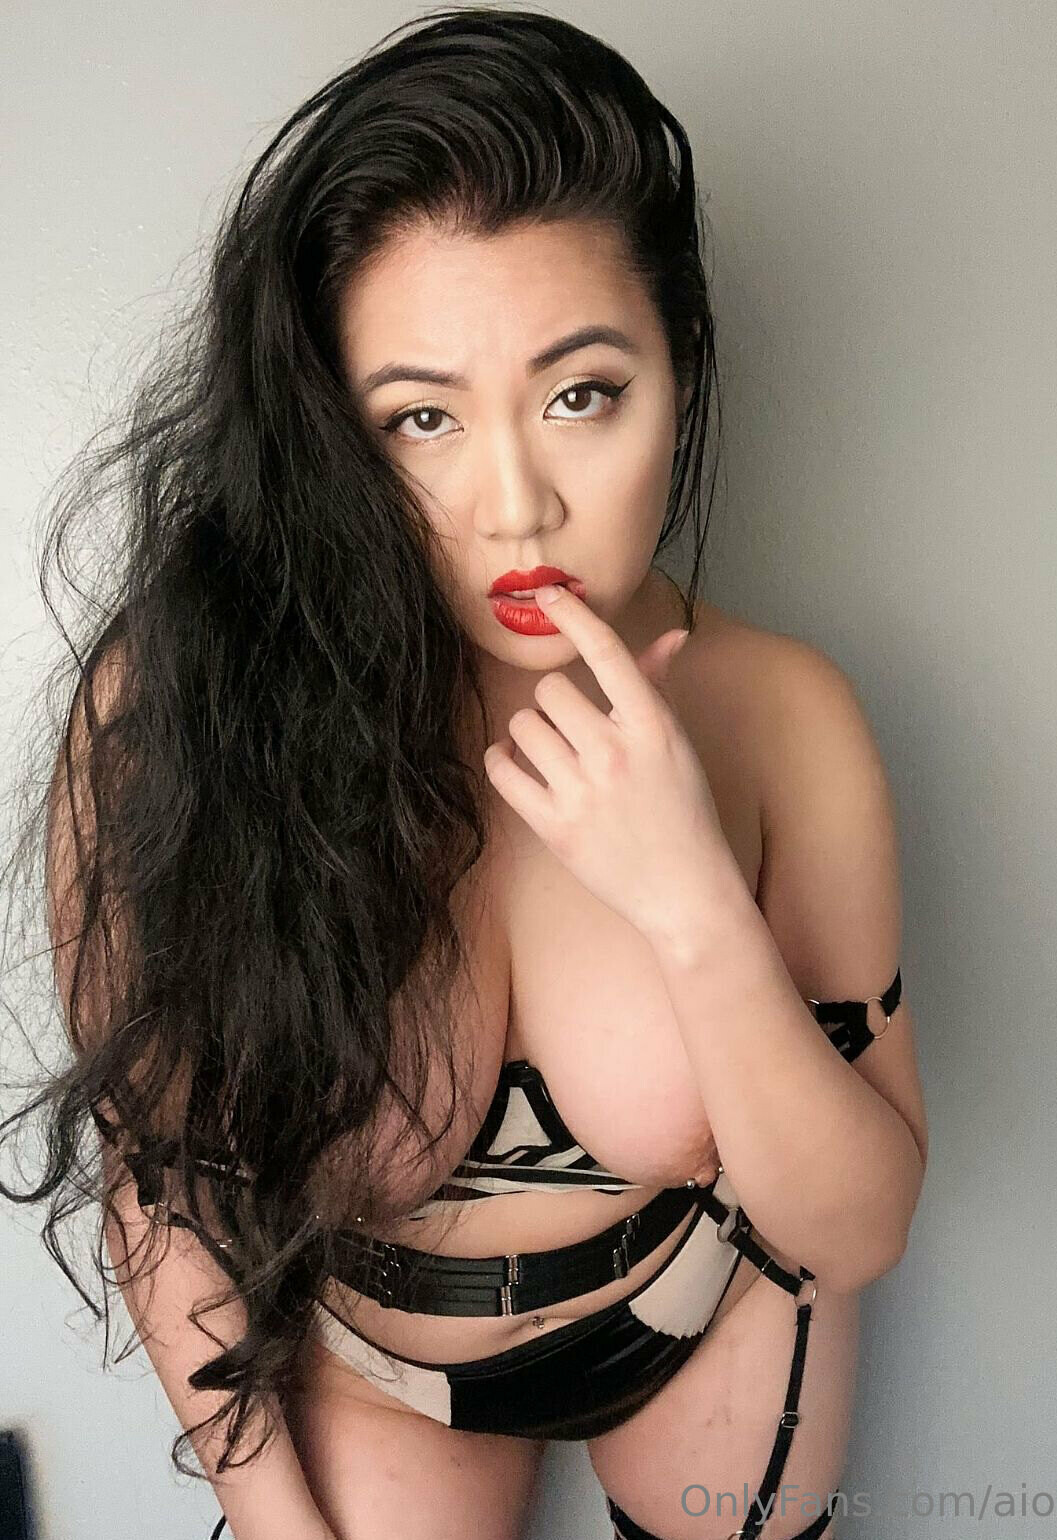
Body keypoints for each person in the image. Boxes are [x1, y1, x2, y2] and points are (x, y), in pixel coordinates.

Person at [0, 8, 929, 1539]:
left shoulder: (783, 715)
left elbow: (856, 1231)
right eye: (421, 418)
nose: (515, 505)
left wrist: (693, 906)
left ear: (681, 368)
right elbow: (160, 1195)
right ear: (329, 433)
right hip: (373, 1366)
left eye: (582, 394)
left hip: (709, 1306)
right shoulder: (175, 712)